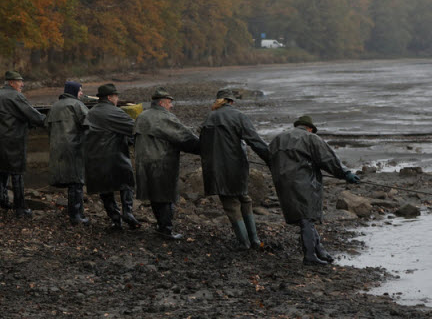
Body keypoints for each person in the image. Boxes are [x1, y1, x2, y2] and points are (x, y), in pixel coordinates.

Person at [269, 115, 360, 265]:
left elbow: (268, 157)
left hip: (282, 183)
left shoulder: (278, 139)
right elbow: (328, 159)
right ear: (309, 128)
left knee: (303, 217)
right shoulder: (310, 138)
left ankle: (319, 251)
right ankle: (309, 256)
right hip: (303, 182)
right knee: (306, 218)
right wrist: (346, 174)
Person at [199, 88, 270, 250]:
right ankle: (254, 240)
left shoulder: (209, 118)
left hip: (215, 169)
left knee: (230, 204)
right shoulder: (238, 116)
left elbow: (202, 145)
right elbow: (255, 141)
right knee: (244, 198)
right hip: (237, 167)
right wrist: (271, 160)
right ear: (231, 101)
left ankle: (244, 243)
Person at [134, 87, 200, 239]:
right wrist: (205, 149)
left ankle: (161, 226)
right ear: (162, 103)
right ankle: (166, 230)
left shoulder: (142, 116)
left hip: (143, 164)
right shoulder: (164, 117)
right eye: (170, 103)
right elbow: (184, 137)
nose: (172, 106)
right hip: (162, 164)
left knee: (155, 197)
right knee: (166, 197)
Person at [0, 70, 45, 217]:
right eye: (19, 81)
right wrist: (49, 121)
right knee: (17, 173)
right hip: (13, 141)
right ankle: (20, 208)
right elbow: (33, 115)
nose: (22, 84)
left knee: (3, 170)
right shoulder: (15, 96)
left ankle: (3, 201)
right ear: (11, 83)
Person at [84, 83, 139, 230]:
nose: (117, 99)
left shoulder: (91, 112)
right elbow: (134, 127)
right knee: (127, 184)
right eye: (116, 96)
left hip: (94, 158)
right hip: (115, 156)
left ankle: (115, 220)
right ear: (109, 97)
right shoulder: (115, 112)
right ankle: (127, 212)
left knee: (105, 190)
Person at [45, 80, 90, 225]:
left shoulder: (55, 106)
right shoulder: (77, 105)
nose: (82, 93)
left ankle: (76, 214)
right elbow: (90, 123)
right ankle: (76, 216)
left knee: (70, 181)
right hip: (74, 147)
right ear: (74, 91)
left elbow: (47, 126)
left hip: (57, 148)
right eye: (80, 90)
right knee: (76, 182)